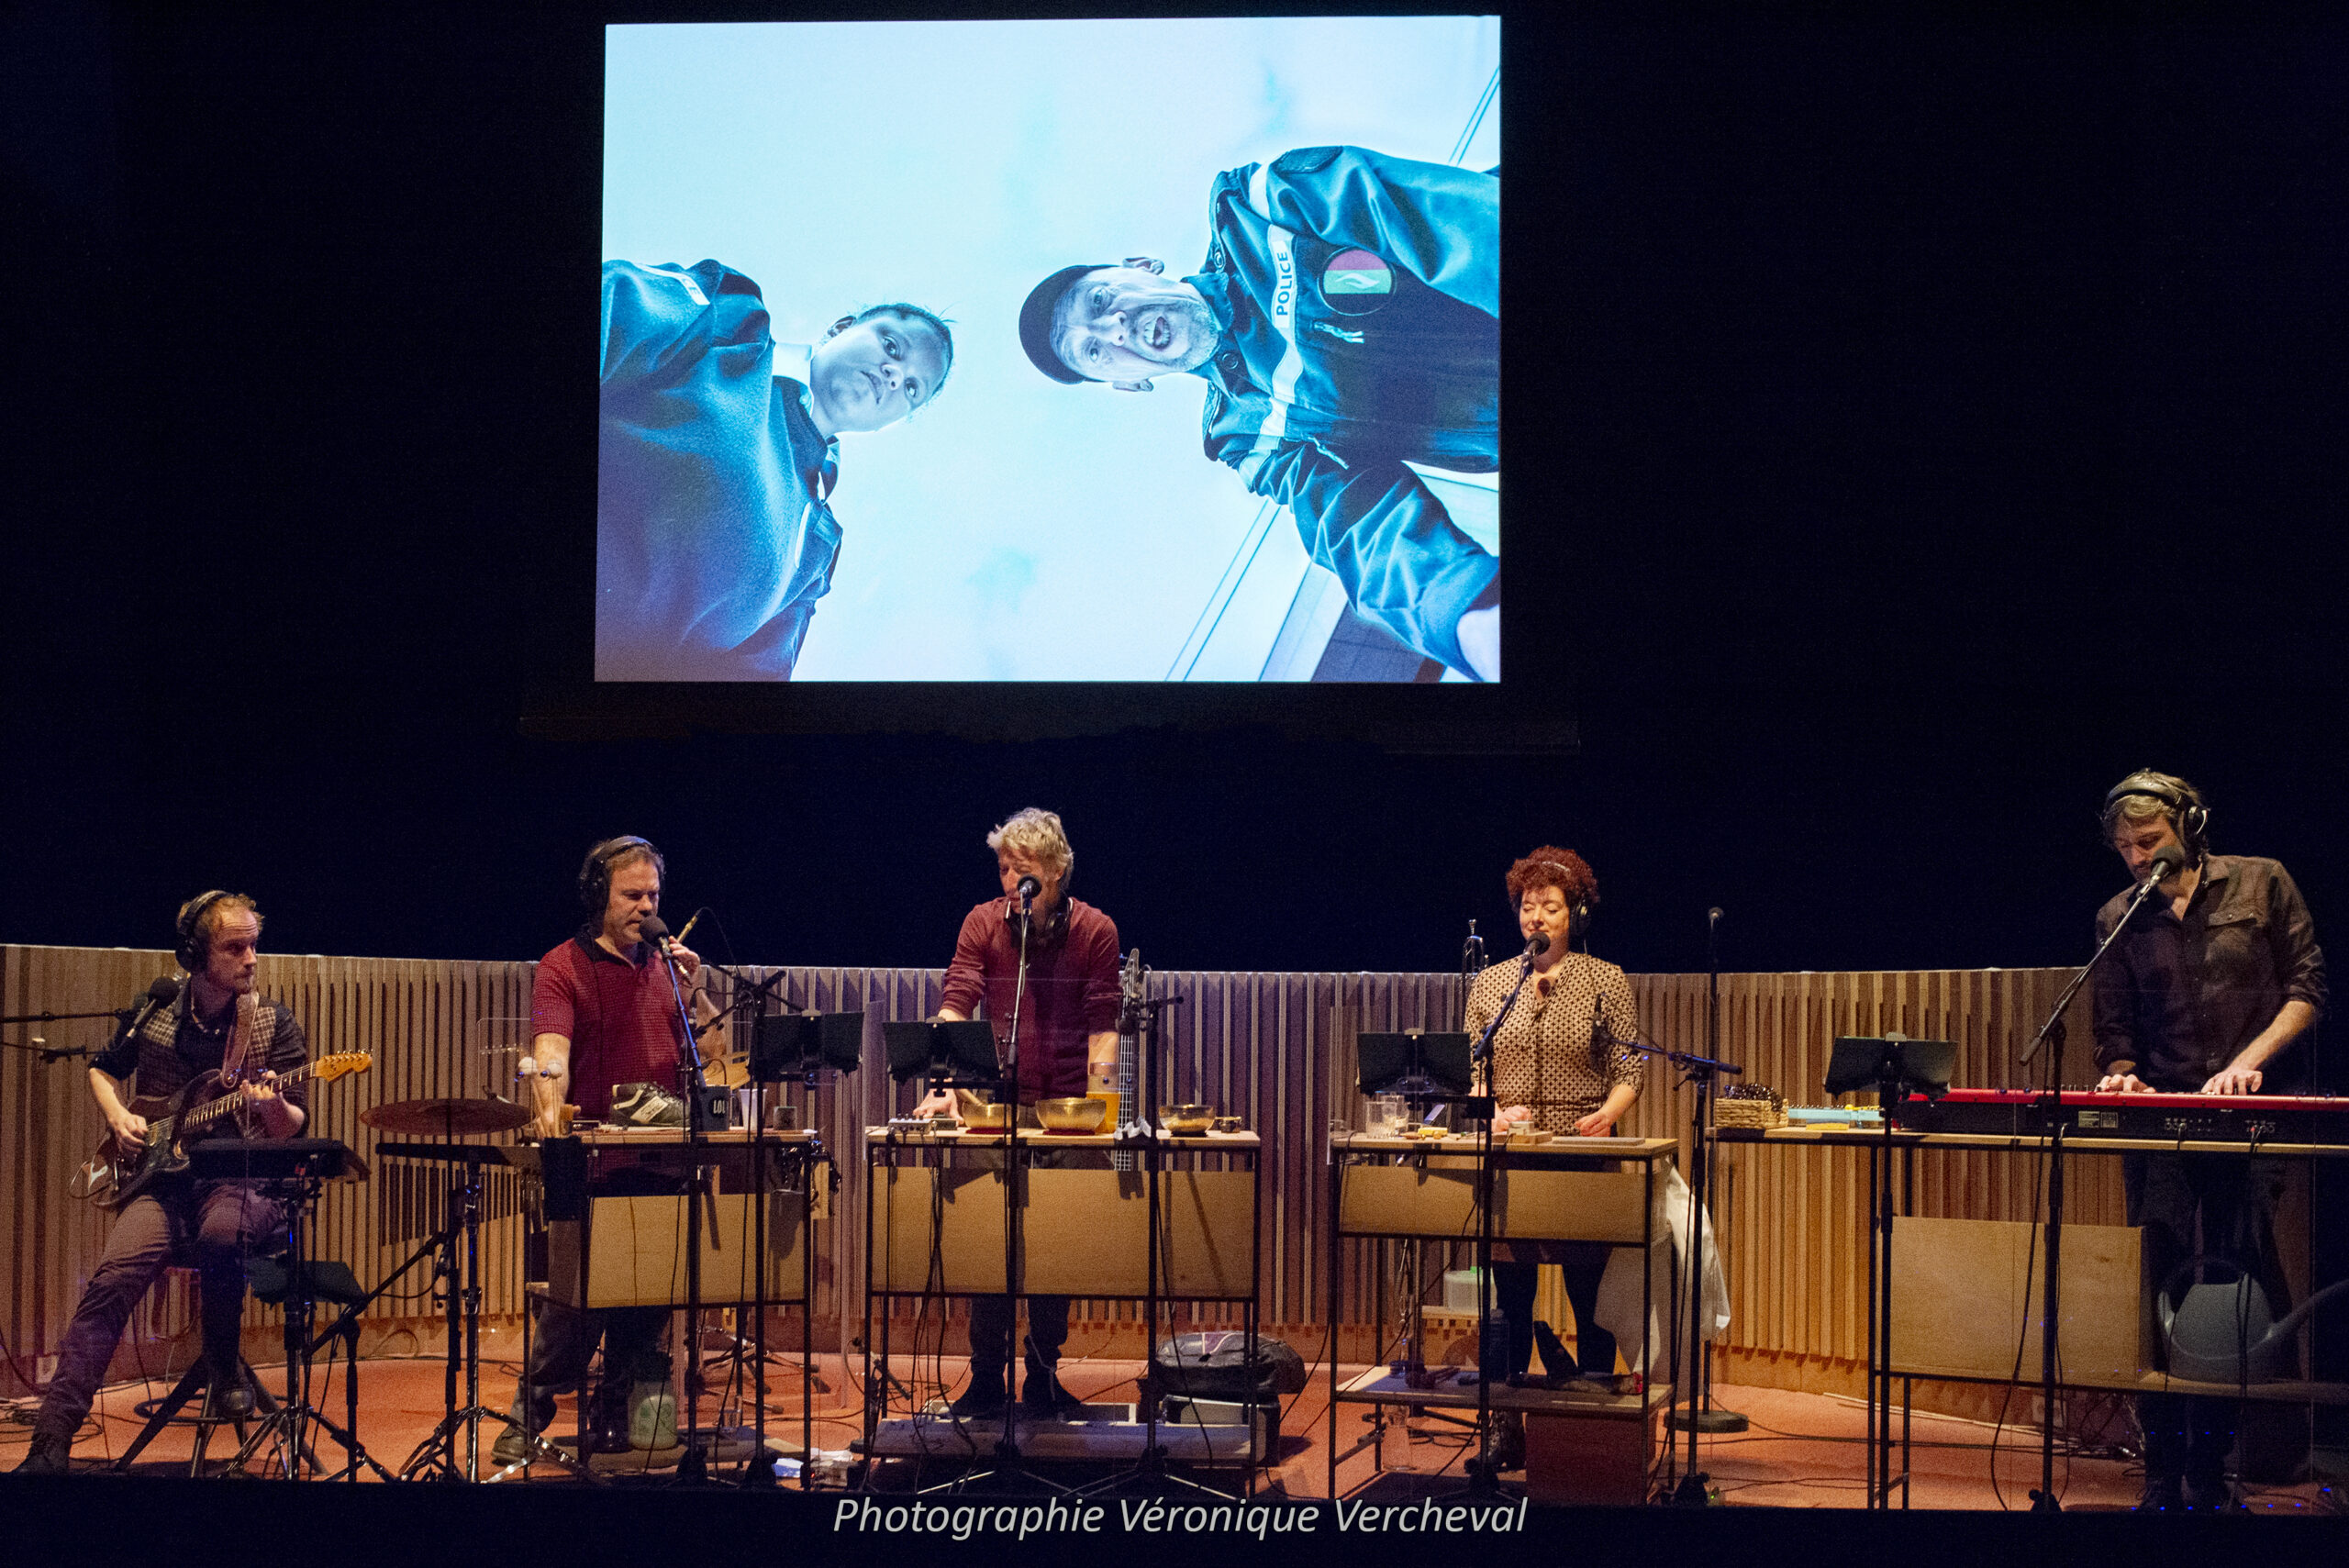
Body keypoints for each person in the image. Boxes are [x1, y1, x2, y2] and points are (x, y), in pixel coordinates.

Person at [1019, 146, 1498, 680]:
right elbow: (1359, 523)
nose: (1116, 330)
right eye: (1095, 353)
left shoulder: (1261, 211)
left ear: (1141, 266)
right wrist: (1467, 618)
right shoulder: (1249, 437)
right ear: (1129, 384)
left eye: (1101, 301)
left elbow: (1439, 224)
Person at [2090, 771, 2325, 1510]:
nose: (2137, 857)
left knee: (2232, 1281)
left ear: (2188, 826)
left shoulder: (2262, 883)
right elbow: (2115, 1031)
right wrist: (2123, 1073)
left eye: (2150, 841)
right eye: (2125, 846)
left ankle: (2221, 1465)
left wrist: (2246, 1063)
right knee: (2155, 1281)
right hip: (2162, 1124)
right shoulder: (2117, 918)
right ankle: (2163, 1468)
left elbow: (2310, 986)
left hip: (2245, 1116)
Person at [13, 892, 309, 1475]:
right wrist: (119, 1116)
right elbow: (102, 1066)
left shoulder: (272, 1022)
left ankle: (222, 1365)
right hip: (165, 1184)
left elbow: (294, 1124)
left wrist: (272, 1104)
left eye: (254, 944)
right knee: (110, 1282)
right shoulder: (158, 1013)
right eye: (235, 947)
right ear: (195, 955)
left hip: (240, 1179)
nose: (252, 958)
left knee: (224, 1235)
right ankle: (50, 1442)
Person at [598, 257, 953, 680]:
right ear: (840, 329)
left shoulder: (817, 547)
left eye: (913, 388)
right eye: (892, 347)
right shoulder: (732, 324)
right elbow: (608, 308)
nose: (894, 375)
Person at [495, 836, 705, 1463]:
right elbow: (551, 1053)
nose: (646, 906)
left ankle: (614, 1413)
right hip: (586, 1163)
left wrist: (692, 988)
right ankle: (529, 1413)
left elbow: (715, 1058)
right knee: (575, 1304)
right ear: (597, 896)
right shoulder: (563, 964)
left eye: (654, 895)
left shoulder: (669, 967)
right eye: (631, 894)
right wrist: (548, 1095)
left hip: (659, 1159)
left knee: (647, 1304)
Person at [916, 808, 1120, 1418]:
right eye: (1004, 866)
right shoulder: (982, 922)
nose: (1011, 879)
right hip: (995, 1108)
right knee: (988, 1242)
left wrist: (1101, 1112)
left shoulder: (1096, 930)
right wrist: (945, 1081)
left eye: (1023, 869)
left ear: (1055, 870)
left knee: (1053, 1248)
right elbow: (955, 1005)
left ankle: (1043, 1374)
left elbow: (1104, 1029)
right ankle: (984, 1378)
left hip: (1068, 1110)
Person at [1464, 847, 1644, 1468]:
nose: (1536, 916)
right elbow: (1474, 1069)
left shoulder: (1606, 980)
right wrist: (1494, 1109)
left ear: (1576, 915)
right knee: (1510, 1298)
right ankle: (1505, 1427)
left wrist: (1611, 1113)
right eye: (1528, 906)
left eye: (1551, 905)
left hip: (1582, 1157)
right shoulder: (1492, 982)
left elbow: (1631, 1068)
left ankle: (1585, 1432)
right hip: (1513, 1159)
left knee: (1586, 1293)